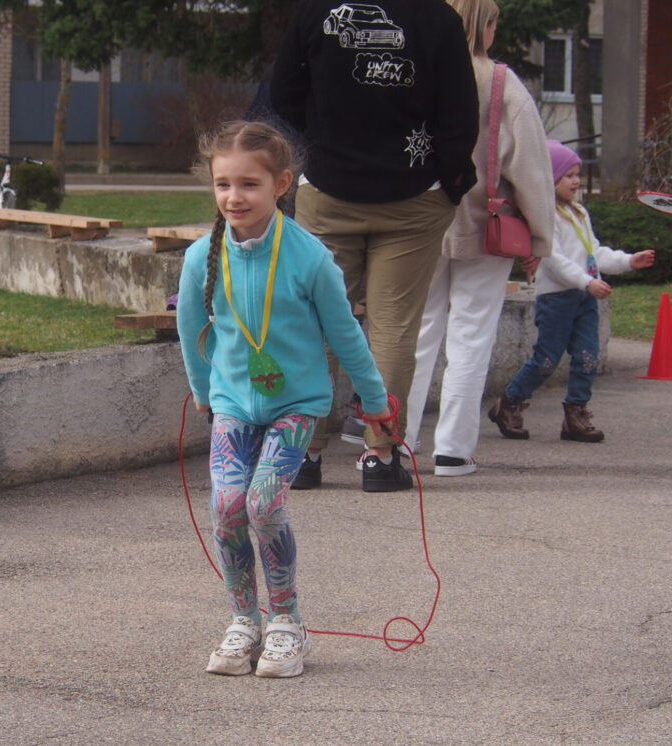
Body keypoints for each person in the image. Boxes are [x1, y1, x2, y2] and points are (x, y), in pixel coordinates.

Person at [176, 120, 392, 678]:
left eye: (249, 184)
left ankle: (287, 624)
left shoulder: (310, 257)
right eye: (223, 184)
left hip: (297, 405)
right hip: (232, 404)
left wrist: (373, 399)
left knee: (264, 503)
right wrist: (203, 390)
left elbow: (345, 333)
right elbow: (191, 327)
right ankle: (243, 620)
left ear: (282, 184)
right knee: (227, 507)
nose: (234, 196)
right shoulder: (201, 256)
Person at [270, 0, 480, 491]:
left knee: (313, 322)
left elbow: (283, 94)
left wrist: (323, 140)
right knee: (394, 328)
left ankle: (304, 452)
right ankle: (381, 456)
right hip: (415, 194)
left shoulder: (316, 11)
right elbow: (460, 113)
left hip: (329, 187)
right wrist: (452, 180)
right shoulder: (438, 17)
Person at [403, 0, 552, 476]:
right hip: (486, 227)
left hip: (418, 224)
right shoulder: (504, 86)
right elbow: (530, 169)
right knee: (472, 335)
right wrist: (540, 239)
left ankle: (397, 439)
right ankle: (453, 448)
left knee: (413, 334)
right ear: (486, 26)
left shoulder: (413, 72)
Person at [488, 141, 656, 442]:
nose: (576, 181)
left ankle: (575, 413)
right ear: (550, 179)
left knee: (588, 357)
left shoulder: (579, 212)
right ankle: (510, 402)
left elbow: (595, 253)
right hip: (557, 300)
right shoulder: (546, 216)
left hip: (585, 299)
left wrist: (629, 261)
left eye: (578, 174)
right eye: (568, 175)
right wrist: (585, 281)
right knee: (547, 360)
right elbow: (554, 259)